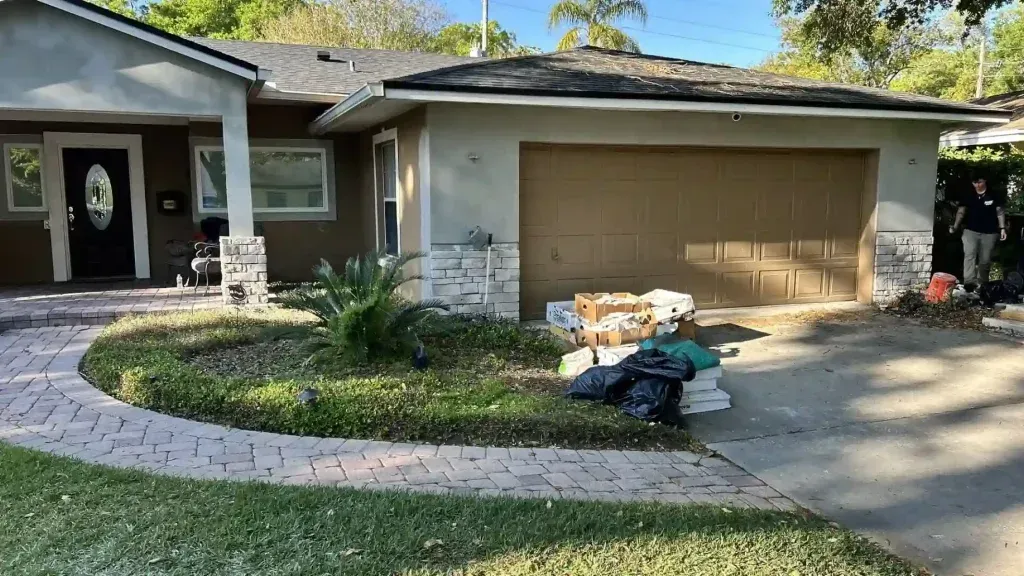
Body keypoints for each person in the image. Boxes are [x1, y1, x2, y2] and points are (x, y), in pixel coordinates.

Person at [949, 176, 1008, 287]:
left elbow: (1000, 212)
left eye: (979, 182)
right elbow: (961, 212)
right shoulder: (968, 195)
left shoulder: (993, 195)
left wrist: (1002, 229)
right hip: (970, 230)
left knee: (985, 260)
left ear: (985, 181)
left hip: (990, 232)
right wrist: (955, 226)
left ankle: (982, 284)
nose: (977, 185)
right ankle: (969, 283)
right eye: (974, 182)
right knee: (969, 255)